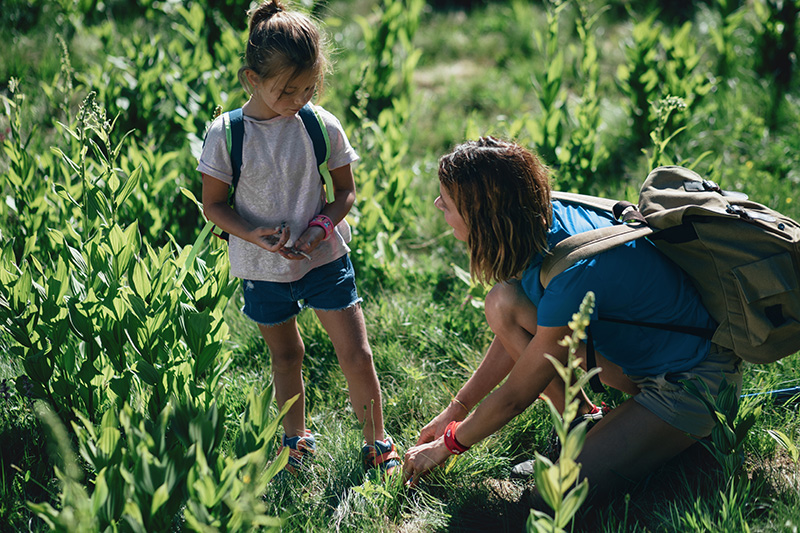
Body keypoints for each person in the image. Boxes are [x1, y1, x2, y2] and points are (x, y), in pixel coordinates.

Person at [402, 137, 742, 498]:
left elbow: (517, 394)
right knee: (504, 301)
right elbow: (522, 340)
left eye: (448, 202)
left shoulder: (572, 271)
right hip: (644, 363)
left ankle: (691, 440)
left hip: (690, 384)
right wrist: (457, 408)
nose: (438, 204)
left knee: (549, 499)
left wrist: (447, 444)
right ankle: (586, 423)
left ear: (484, 216)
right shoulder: (534, 216)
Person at [198, 0, 399, 476]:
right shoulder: (227, 134)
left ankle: (378, 444)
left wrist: (320, 227)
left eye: (309, 87)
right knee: (286, 355)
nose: (298, 99)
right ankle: (295, 443)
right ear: (251, 78)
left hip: (324, 257)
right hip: (263, 267)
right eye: (286, 90)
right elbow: (214, 206)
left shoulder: (318, 123)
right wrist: (254, 235)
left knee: (356, 352)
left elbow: (345, 191)